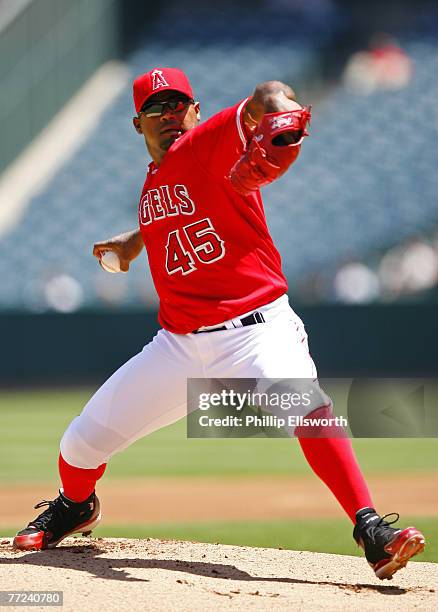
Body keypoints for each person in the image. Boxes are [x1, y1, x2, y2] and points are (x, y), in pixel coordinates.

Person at [13, 67, 425, 580]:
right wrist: (133, 241)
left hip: (257, 331)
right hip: (179, 345)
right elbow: (175, 203)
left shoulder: (205, 143)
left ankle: (371, 529)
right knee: (80, 444)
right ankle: (75, 507)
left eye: (178, 104)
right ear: (135, 124)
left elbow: (266, 97)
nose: (169, 115)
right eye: (155, 109)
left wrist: (281, 111)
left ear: (197, 112)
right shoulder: (156, 179)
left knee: (305, 403)